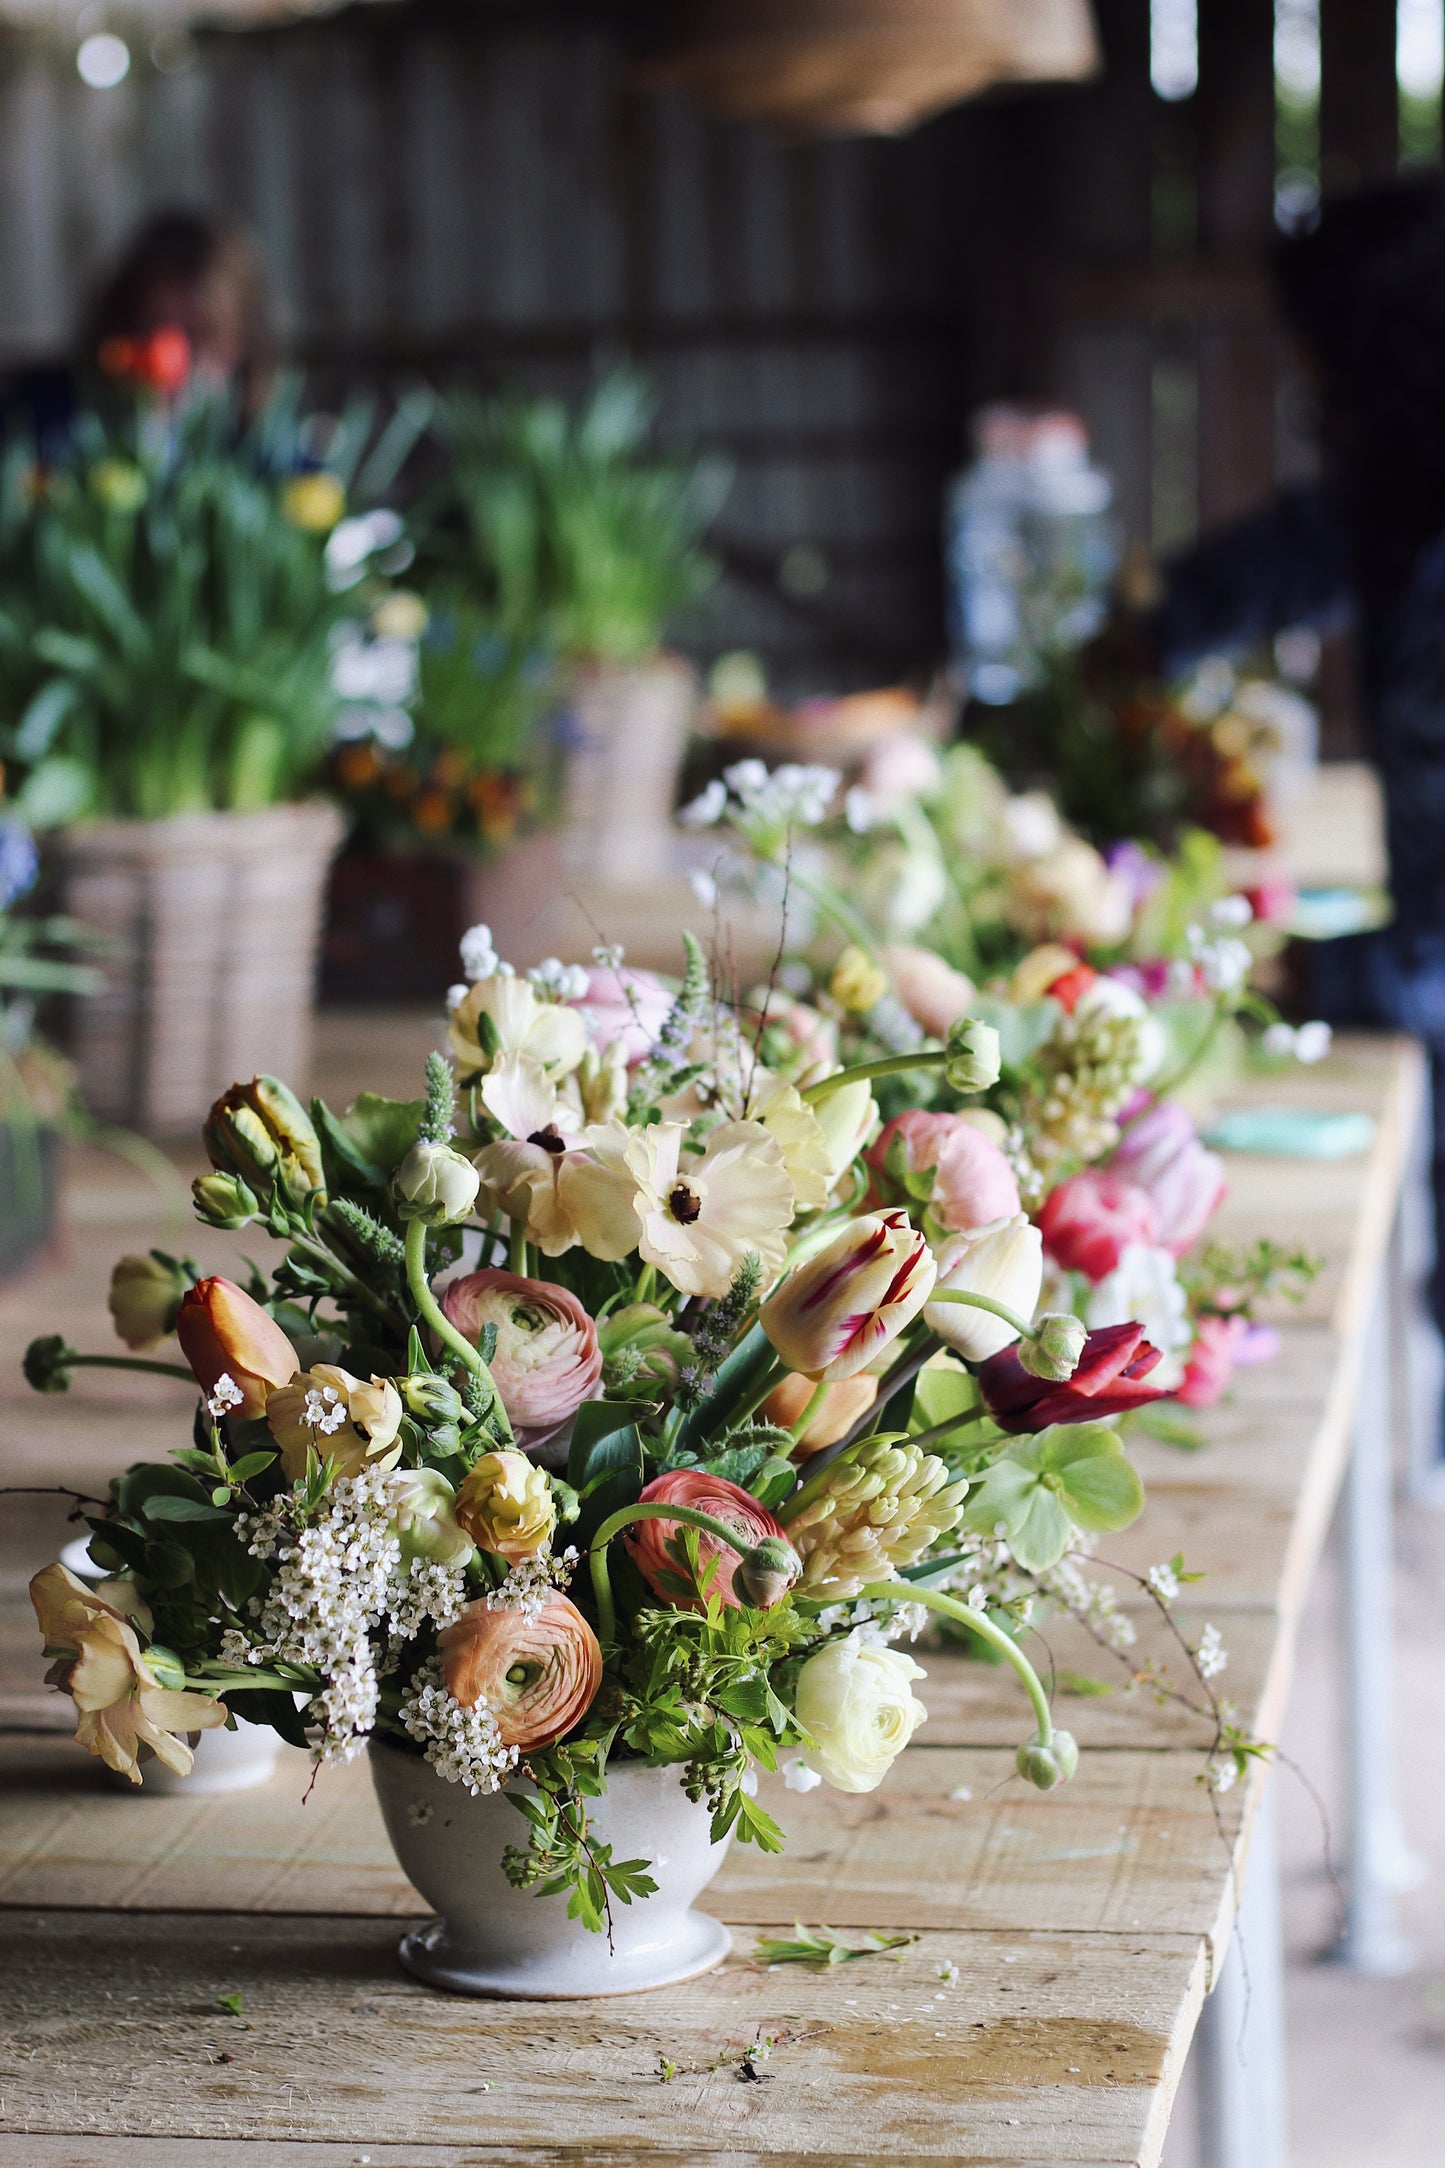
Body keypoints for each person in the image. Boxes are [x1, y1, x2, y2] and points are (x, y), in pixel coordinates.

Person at [1150, 174, 1445, 1447]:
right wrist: (1146, 625)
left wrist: (1342, 972)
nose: (1312, 391)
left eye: (1323, 361)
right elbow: (1315, 546)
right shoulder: (1411, 473)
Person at [0, 208, 271, 448]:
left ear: (238, 344)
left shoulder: (267, 450)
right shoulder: (45, 421)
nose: (175, 349)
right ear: (124, 319)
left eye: (198, 333)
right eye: (157, 324)